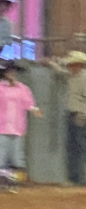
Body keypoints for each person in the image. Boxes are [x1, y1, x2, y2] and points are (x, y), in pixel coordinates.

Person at [46, 51, 86, 187]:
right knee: (73, 148)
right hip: (73, 114)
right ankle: (74, 178)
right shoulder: (74, 76)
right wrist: (52, 64)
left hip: (81, 115)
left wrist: (83, 114)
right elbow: (62, 73)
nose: (69, 66)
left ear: (78, 64)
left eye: (71, 64)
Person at [0, 60, 42, 193]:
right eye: (10, 71)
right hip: (2, 126)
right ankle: (4, 182)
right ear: (5, 73)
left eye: (14, 71)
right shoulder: (1, 87)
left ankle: (12, 183)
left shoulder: (23, 88)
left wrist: (35, 109)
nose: (12, 73)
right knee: (2, 155)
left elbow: (29, 103)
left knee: (16, 156)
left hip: (17, 127)